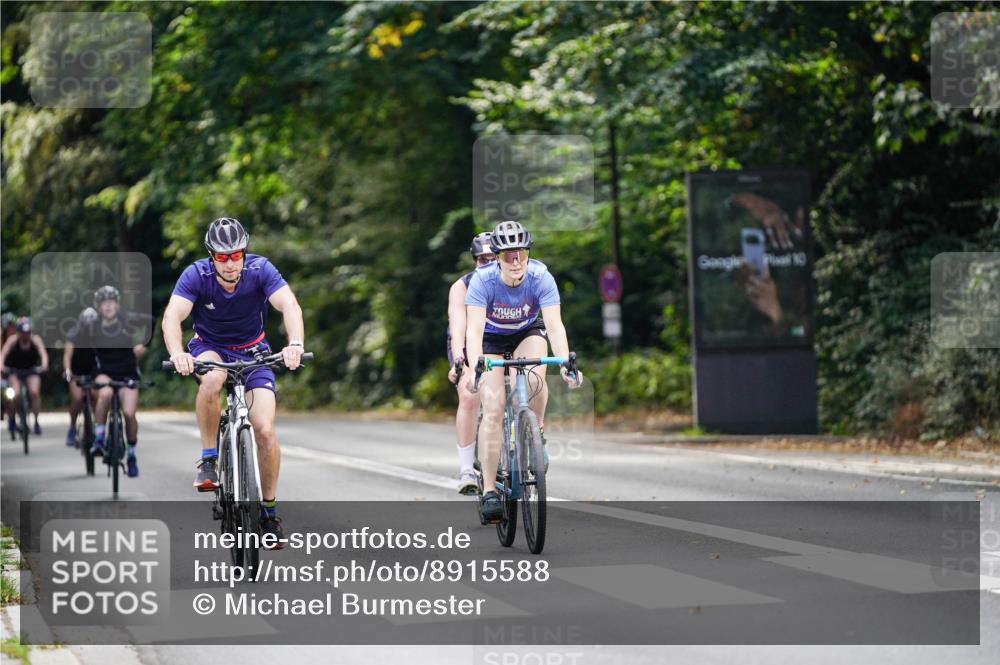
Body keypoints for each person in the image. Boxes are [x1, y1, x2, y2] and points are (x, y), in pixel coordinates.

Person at [161, 217, 305, 546]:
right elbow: (173, 315)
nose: (230, 263)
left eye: (236, 254)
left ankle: (269, 514)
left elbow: (289, 306)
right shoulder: (196, 275)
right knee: (213, 379)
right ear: (211, 256)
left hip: (254, 352)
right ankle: (210, 458)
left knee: (265, 431)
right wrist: (178, 352)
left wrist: (295, 344)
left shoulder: (260, 270)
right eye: (222, 257)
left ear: (244, 253)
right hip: (210, 349)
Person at [464, 221, 582, 521]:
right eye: (507, 256)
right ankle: (490, 490)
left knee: (535, 377)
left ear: (528, 254)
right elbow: (474, 330)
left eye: (521, 254)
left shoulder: (541, 277)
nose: (515, 262)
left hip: (527, 331)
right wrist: (475, 366)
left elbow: (554, 326)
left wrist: (567, 363)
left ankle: (536, 430)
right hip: (491, 338)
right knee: (493, 408)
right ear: (498, 257)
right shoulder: (483, 280)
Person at [67, 287, 150, 477]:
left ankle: (130, 454)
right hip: (103, 372)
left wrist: (144, 345)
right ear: (98, 306)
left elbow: (150, 322)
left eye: (111, 302)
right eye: (104, 303)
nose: (108, 306)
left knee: (129, 413)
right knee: (104, 394)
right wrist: (82, 374)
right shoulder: (91, 326)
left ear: (117, 304)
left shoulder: (127, 319)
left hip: (128, 372)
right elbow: (81, 350)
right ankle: (99, 439)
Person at [446, 232, 496, 495]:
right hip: (467, 341)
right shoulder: (462, 287)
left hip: (498, 341)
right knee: (469, 395)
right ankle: (466, 469)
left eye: (492, 258)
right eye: (481, 260)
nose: (487, 264)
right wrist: (459, 361)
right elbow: (458, 327)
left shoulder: (508, 281)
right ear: (475, 262)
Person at [0, 317, 49, 437]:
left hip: (31, 371)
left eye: (28, 332)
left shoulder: (35, 340)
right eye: (23, 332)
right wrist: (2, 366)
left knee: (35, 393)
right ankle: (12, 419)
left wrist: (44, 365)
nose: (25, 335)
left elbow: (43, 354)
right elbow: (3, 354)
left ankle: (36, 422)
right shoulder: (13, 340)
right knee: (14, 394)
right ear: (19, 332)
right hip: (15, 371)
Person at [62, 307, 99, 447]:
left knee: (98, 398)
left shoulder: (100, 333)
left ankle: (99, 429)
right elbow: (67, 355)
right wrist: (67, 370)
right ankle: (72, 428)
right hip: (76, 372)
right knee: (77, 399)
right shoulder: (74, 334)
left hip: (95, 372)